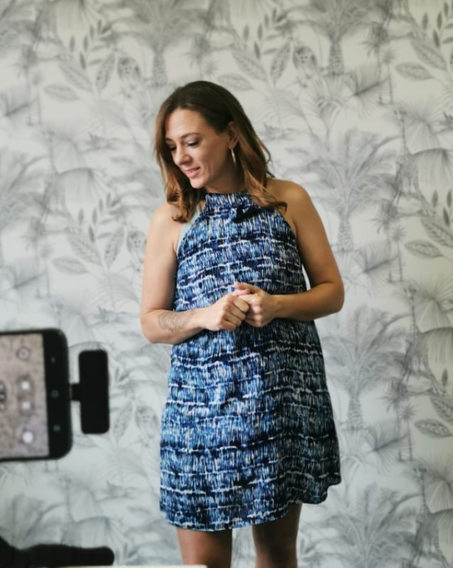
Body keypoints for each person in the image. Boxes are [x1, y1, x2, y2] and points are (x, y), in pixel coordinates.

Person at [140, 81, 344, 568]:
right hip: (200, 418)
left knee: (275, 557)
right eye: (172, 147)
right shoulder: (173, 217)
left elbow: (331, 291)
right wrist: (204, 316)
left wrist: (276, 305)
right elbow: (151, 321)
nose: (182, 157)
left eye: (192, 141)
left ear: (230, 134)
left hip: (277, 407)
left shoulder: (287, 200)